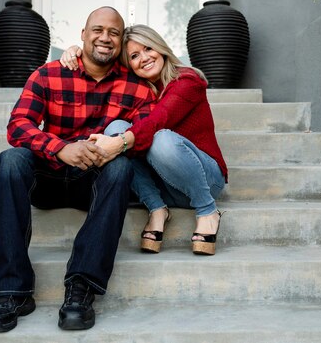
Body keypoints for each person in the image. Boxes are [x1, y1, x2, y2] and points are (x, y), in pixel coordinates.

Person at [0, 7, 155, 333]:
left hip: (94, 182)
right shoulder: (49, 74)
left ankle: (81, 289)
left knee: (121, 168)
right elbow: (18, 126)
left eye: (114, 33)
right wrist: (61, 148)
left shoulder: (137, 87)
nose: (105, 38)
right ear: (83, 35)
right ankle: (11, 292)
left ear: (121, 41)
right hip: (48, 176)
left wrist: (107, 148)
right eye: (98, 30)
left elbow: (147, 134)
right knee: (11, 159)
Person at [60, 24, 228, 256]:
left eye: (149, 48)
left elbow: (158, 120)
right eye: (135, 56)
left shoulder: (187, 80)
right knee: (116, 127)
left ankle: (207, 210)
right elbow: (102, 65)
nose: (145, 58)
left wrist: (119, 144)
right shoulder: (140, 88)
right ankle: (157, 209)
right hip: (166, 184)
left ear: (160, 47)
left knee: (158, 138)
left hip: (205, 178)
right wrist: (77, 52)